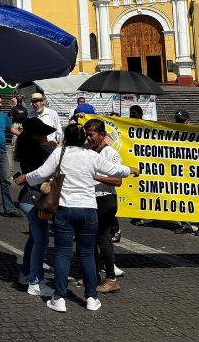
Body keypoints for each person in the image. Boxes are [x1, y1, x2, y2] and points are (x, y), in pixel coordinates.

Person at [15, 123, 139, 313]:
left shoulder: (60, 153)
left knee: (63, 254)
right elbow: (115, 170)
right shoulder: (91, 155)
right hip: (88, 210)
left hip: (65, 210)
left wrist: (25, 177)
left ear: (66, 138)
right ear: (83, 139)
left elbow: (40, 174)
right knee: (87, 254)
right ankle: (91, 298)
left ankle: (59, 298)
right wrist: (131, 169)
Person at [13, 117, 57, 296]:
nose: (46, 137)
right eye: (43, 134)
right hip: (34, 199)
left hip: (28, 198)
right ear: (34, 136)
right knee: (41, 240)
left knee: (34, 239)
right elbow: (42, 173)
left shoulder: (29, 148)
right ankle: (35, 282)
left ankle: (26, 274)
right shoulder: (37, 151)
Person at [84, 119, 124, 293]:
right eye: (86, 135)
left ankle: (111, 279)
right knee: (89, 238)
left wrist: (95, 177)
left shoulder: (110, 153)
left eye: (91, 135)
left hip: (105, 199)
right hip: (89, 199)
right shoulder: (86, 151)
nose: (88, 138)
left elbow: (118, 180)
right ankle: (93, 276)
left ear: (101, 135)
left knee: (102, 238)